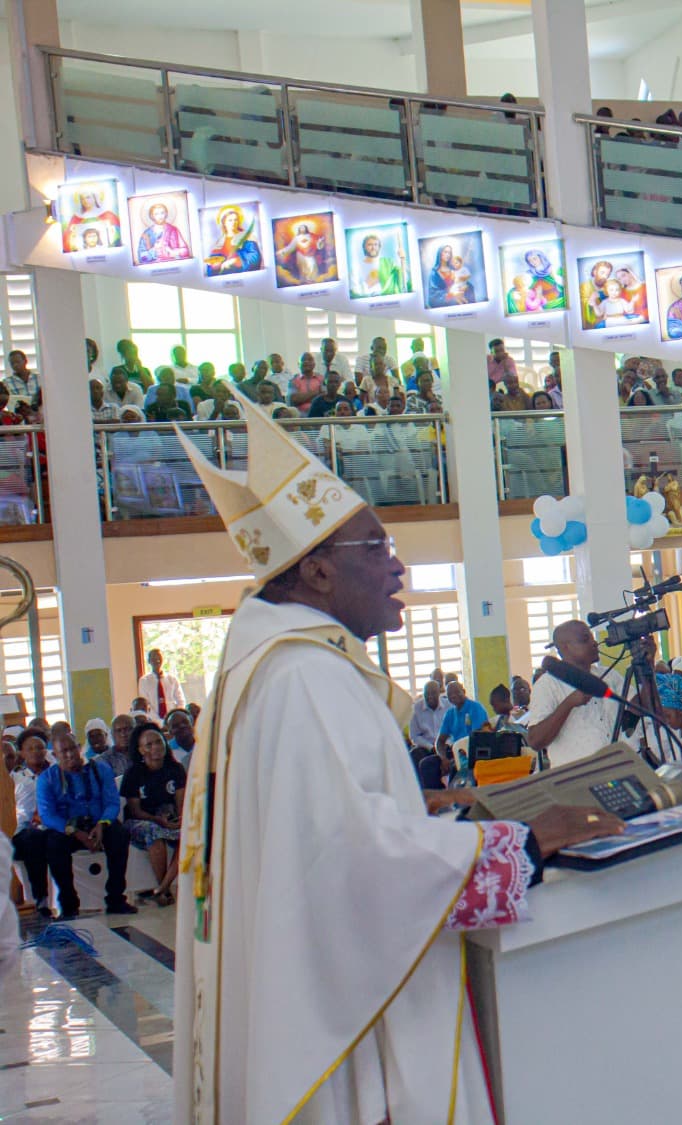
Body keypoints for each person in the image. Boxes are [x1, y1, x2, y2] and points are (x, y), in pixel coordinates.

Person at [169, 397, 621, 1122]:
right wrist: (525, 841)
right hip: (341, 1036)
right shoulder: (306, 678)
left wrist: (431, 809)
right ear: (316, 572)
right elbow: (352, 858)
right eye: (376, 548)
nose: (399, 566)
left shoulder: (273, 669)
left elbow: (310, 829)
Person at [36, 728, 133, 919]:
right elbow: (47, 815)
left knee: (120, 834)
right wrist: (75, 832)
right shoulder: (47, 779)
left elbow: (112, 802)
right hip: (68, 829)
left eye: (73, 748)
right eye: (64, 751)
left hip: (99, 824)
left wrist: (102, 824)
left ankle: (115, 899)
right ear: (55, 755)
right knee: (54, 844)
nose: (70, 754)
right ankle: (69, 904)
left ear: (80, 748)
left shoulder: (100, 769)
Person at [525, 620, 625, 768]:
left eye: (592, 638)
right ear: (566, 648)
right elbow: (535, 741)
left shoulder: (610, 676)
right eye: (585, 639)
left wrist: (645, 664)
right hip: (577, 779)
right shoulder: (547, 685)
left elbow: (641, 708)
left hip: (616, 769)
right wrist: (569, 703)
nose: (594, 643)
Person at [120, 720, 186, 905]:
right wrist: (159, 820)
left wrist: (180, 819)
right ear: (141, 750)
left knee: (189, 834)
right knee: (153, 832)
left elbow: (181, 803)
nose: (156, 747)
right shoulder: (134, 773)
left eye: (158, 741)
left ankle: (161, 889)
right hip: (142, 820)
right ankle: (163, 889)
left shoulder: (176, 769)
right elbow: (135, 810)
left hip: (169, 819)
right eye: (149, 744)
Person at [8, 731, 50, 916]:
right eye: (30, 748)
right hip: (18, 831)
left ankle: (45, 901)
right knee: (32, 839)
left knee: (40, 839)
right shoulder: (16, 779)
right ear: (22, 753)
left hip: (48, 827)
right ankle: (34, 899)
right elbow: (19, 816)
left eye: (39, 747)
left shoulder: (55, 773)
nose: (35, 752)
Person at [436, 679, 489, 750]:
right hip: (456, 751)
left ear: (464, 691)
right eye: (449, 694)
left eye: (457, 692)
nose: (453, 695)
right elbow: (440, 741)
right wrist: (443, 758)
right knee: (428, 761)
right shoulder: (449, 714)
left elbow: (477, 737)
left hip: (473, 751)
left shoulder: (476, 708)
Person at [138, 647, 185, 718]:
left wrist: (176, 717)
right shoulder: (144, 681)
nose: (157, 660)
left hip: (172, 720)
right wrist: (159, 721)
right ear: (149, 661)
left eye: (159, 657)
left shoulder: (172, 679)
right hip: (153, 721)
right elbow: (146, 704)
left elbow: (180, 700)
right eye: (154, 658)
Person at [409, 677, 446, 750]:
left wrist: (445, 745)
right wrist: (430, 747)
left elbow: (453, 731)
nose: (430, 696)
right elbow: (414, 736)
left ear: (439, 693)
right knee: (415, 754)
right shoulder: (416, 708)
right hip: (425, 748)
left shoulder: (448, 706)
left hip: (446, 745)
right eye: (427, 693)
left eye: (433, 693)